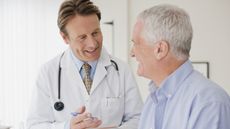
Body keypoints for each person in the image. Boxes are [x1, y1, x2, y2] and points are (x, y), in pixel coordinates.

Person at [26, 0, 143, 129]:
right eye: (82, 37)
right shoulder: (48, 72)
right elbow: (34, 125)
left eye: (95, 33)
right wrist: (67, 127)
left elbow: (139, 119)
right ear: (65, 37)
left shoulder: (121, 70)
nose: (92, 44)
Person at [130, 4, 230, 129]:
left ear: (160, 49)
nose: (132, 53)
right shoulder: (153, 101)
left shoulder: (210, 103)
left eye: (136, 44)